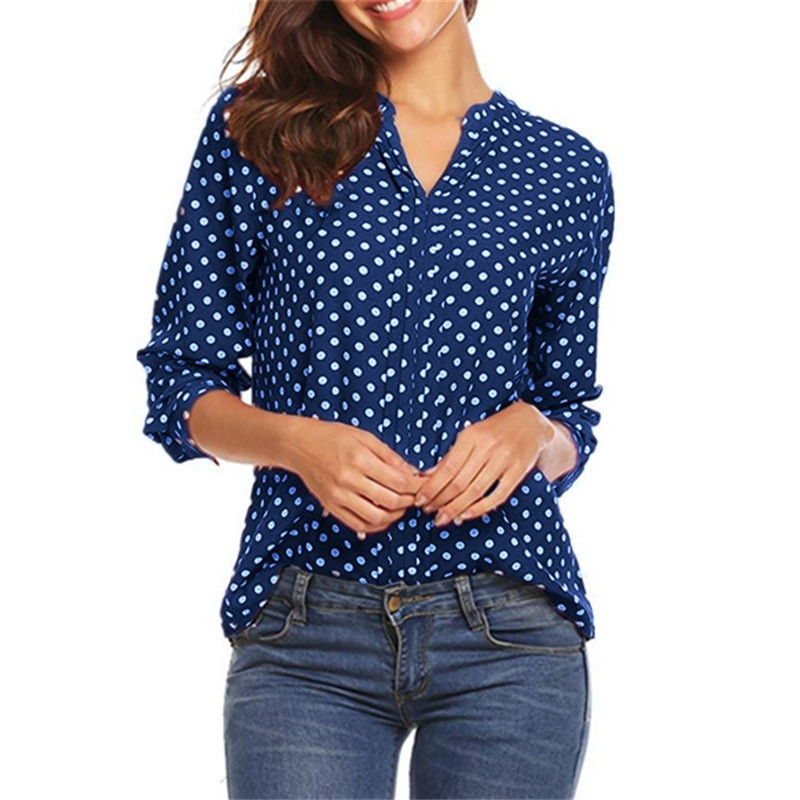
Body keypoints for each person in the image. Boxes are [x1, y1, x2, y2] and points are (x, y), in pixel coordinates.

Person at [135, 1, 615, 797]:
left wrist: (532, 432)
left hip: (508, 629)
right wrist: (296, 444)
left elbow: (570, 413)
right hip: (308, 633)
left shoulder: (565, 170)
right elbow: (182, 382)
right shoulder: (261, 132)